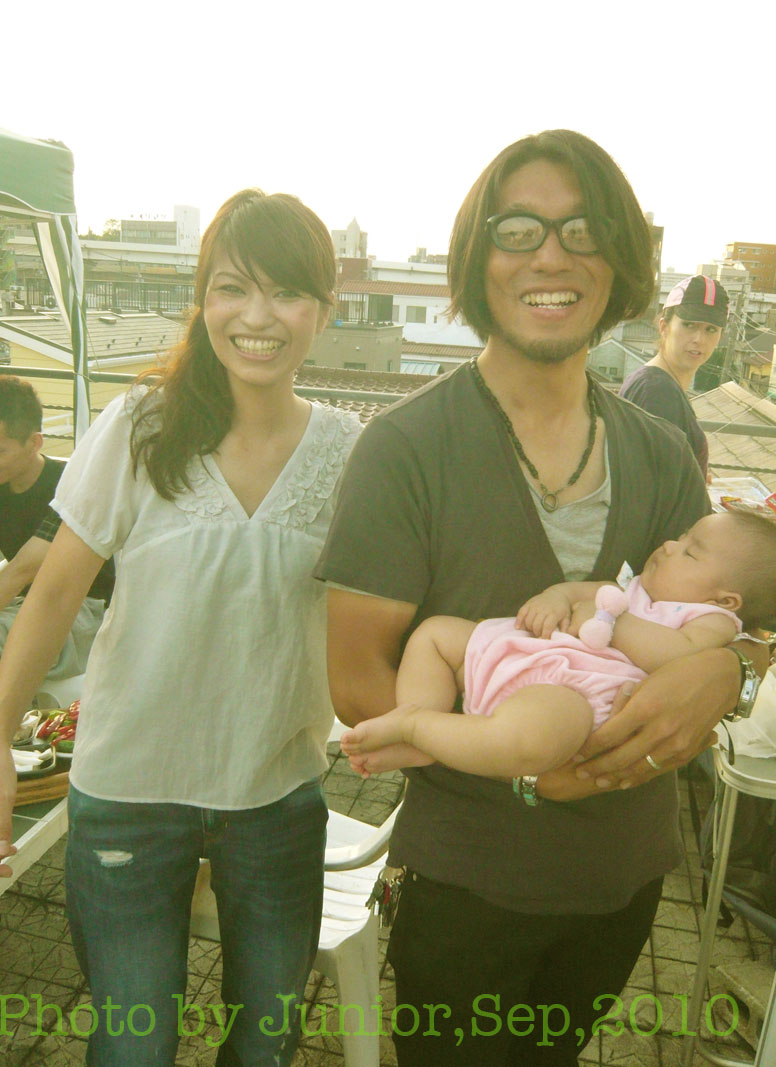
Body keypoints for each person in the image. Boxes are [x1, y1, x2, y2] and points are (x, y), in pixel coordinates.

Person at [315, 130, 760, 1065]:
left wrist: (727, 674)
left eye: (583, 230)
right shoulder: (404, 449)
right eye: (518, 230)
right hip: (468, 884)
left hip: (624, 879)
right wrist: (520, 759)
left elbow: (719, 619)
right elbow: (358, 682)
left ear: (620, 263)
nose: (552, 255)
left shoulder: (660, 455)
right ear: (477, 260)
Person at [0, 189, 361, 1065]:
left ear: (325, 310)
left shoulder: (348, 450)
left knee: (264, 1044)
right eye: (233, 288)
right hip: (129, 795)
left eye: (287, 292)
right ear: (202, 299)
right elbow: (55, 592)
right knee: (133, 1046)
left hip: (277, 794)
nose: (257, 316)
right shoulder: (141, 426)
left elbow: (383, 612)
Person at [341, 510, 776, 780]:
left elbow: (680, 656)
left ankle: (418, 729)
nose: (668, 546)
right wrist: (554, 599)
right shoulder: (634, 587)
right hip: (524, 649)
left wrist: (616, 622)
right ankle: (419, 715)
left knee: (528, 740)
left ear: (727, 600)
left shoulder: (710, 621)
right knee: (435, 634)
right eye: (681, 536)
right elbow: (577, 592)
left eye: (690, 552)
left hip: (574, 691)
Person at [0, 376, 113, 703]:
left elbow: (22, 569)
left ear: (35, 442)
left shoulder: (69, 488)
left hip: (83, 607)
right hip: (25, 599)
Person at [620, 274, 730, 480]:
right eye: (689, 325)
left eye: (711, 329)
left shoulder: (658, 384)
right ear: (664, 327)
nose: (699, 339)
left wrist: (696, 475)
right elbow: (656, 489)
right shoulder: (657, 392)